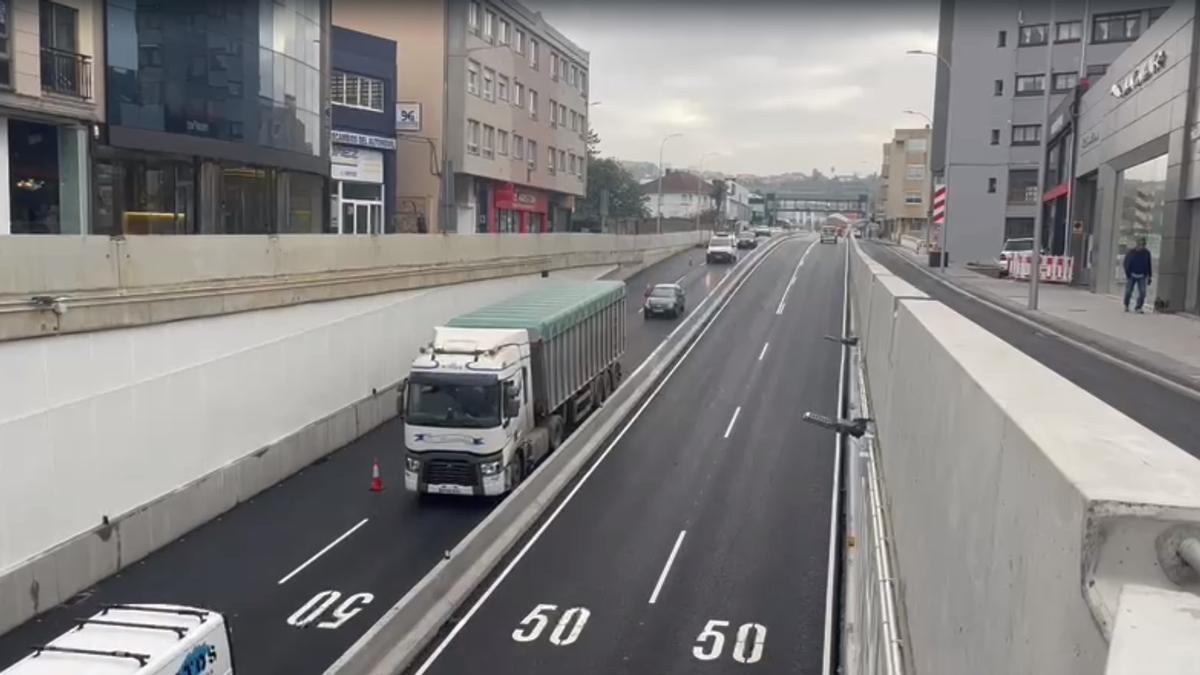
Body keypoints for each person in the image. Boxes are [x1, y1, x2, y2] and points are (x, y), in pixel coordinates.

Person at [1122, 237, 1153, 313]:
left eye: (1143, 245)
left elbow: (1149, 265)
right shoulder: (1131, 253)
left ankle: (1138, 307)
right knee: (1128, 291)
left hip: (1142, 275)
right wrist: (1127, 273)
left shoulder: (1147, 253)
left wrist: (1149, 276)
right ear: (1137, 245)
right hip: (1131, 275)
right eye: (1140, 245)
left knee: (1143, 292)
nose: (1141, 247)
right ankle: (1126, 305)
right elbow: (1125, 263)